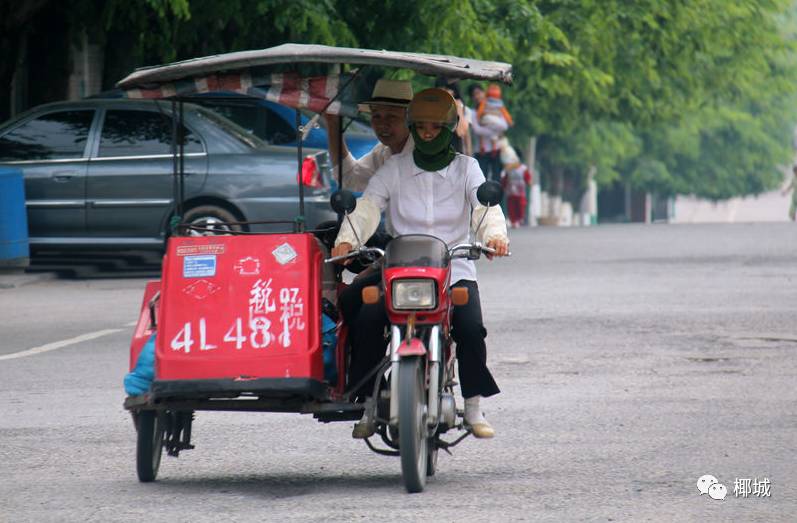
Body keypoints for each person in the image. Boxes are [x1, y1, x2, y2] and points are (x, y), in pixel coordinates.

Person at [332, 88, 510, 439]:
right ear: (412, 128)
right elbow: (368, 206)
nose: (427, 134)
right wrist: (348, 238)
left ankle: (472, 406)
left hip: (453, 269)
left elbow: (483, 206)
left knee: (471, 328)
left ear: (449, 128)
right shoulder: (393, 168)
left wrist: (494, 237)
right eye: (421, 127)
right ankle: (367, 402)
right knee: (367, 320)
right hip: (399, 270)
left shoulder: (467, 168)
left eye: (435, 127)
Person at [324, 79, 414, 192]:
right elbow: (350, 178)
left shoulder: (423, 153)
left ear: (409, 119)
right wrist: (333, 124)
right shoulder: (382, 153)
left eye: (391, 116)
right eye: (376, 116)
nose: (382, 124)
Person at [467, 83, 509, 182]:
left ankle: (497, 198)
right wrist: (494, 129)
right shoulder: (472, 113)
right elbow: (477, 130)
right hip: (481, 152)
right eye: (474, 95)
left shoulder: (495, 109)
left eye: (478, 93)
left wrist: (490, 122)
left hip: (496, 150)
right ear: (472, 98)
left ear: (484, 93)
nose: (477, 96)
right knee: (481, 180)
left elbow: (504, 126)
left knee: (497, 180)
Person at [500, 146, 532, 228]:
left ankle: (519, 219)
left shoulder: (523, 168)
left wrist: (528, 182)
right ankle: (513, 221)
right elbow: (505, 178)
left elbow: (527, 178)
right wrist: (503, 186)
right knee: (511, 206)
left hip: (520, 191)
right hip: (510, 191)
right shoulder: (508, 169)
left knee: (520, 205)